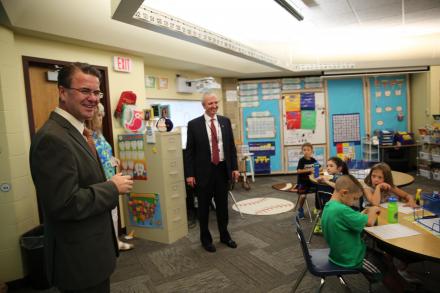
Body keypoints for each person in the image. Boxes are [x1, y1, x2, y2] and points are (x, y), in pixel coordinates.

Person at [29, 62, 133, 293]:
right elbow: (64, 204)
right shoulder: (52, 139)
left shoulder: (78, 132)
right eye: (85, 91)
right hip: (78, 260)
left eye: (97, 92)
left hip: (92, 252)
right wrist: (112, 188)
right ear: (63, 92)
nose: (93, 99)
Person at [321, 175, 400, 290]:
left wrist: (364, 212)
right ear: (344, 193)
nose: (354, 203)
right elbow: (370, 221)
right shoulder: (341, 210)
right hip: (352, 258)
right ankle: (399, 289)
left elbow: (350, 218)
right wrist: (374, 208)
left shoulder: (331, 206)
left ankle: (402, 285)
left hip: (341, 253)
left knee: (385, 260)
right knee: (384, 270)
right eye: (354, 199)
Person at [185, 92, 240, 253]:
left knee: (223, 206)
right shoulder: (194, 124)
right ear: (204, 105)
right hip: (203, 172)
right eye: (210, 103)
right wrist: (189, 174)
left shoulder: (225, 121)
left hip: (222, 170)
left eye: (216, 103)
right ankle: (205, 239)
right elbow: (189, 151)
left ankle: (224, 235)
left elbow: (231, 147)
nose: (214, 106)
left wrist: (235, 168)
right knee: (203, 208)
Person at [86, 103, 134, 251]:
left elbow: (105, 153)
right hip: (100, 182)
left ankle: (114, 241)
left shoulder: (98, 135)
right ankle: (108, 245)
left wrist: (113, 159)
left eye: (102, 115)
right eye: (99, 115)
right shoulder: (86, 137)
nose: (101, 119)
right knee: (104, 215)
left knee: (113, 213)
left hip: (112, 178)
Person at [363, 162, 420, 283]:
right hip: (374, 220)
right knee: (390, 241)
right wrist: (378, 188)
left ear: (386, 178)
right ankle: (391, 261)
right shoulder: (367, 188)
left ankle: (398, 263)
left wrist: (410, 200)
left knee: (406, 232)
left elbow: (406, 195)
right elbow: (375, 203)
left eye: (380, 177)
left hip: (389, 217)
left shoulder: (390, 187)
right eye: (374, 176)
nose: (376, 179)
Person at [295, 142, 318, 219]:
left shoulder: (313, 160)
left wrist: (316, 170)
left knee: (319, 191)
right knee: (303, 196)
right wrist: (309, 170)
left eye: (308, 150)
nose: (306, 151)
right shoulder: (302, 160)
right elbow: (298, 171)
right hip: (302, 182)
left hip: (312, 182)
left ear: (312, 151)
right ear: (302, 151)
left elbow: (319, 168)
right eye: (304, 150)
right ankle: (300, 209)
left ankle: (317, 207)